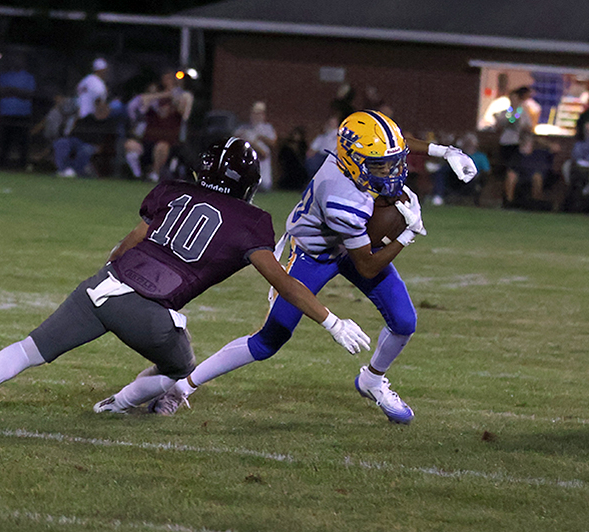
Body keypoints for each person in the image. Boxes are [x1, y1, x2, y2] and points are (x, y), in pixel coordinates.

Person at [0, 137, 370, 414]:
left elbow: (126, 246)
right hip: (150, 310)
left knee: (30, 348)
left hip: (103, 285)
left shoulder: (172, 192)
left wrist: (108, 275)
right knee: (181, 369)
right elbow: (284, 282)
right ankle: (117, 404)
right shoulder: (250, 223)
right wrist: (332, 320)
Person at [149, 110, 478, 424]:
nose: (393, 171)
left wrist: (445, 152)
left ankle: (372, 380)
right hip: (313, 254)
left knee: (405, 322)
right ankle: (182, 388)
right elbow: (366, 266)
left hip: (352, 243)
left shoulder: (354, 158)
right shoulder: (341, 198)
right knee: (269, 340)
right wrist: (406, 236)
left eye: (392, 163)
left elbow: (400, 143)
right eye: (381, 166)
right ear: (355, 161)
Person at [52, 99, 113, 178]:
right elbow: (74, 131)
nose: (100, 110)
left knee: (86, 150)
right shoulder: (87, 118)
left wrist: (100, 146)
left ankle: (75, 171)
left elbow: (107, 140)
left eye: (103, 108)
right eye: (99, 108)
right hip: (75, 140)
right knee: (61, 143)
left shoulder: (109, 123)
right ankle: (63, 170)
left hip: (91, 144)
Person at [430, 132, 491, 206]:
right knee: (442, 171)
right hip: (455, 176)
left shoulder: (481, 156)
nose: (469, 145)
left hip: (471, 179)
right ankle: (438, 196)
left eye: (470, 143)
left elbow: (486, 171)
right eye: (467, 143)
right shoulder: (459, 154)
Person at [0, 55, 36, 170]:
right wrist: (18, 91)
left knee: (23, 141)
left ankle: (22, 165)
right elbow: (1, 91)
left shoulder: (29, 77)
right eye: (14, 60)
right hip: (6, 113)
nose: (16, 62)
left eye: (19, 60)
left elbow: (29, 94)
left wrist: (12, 90)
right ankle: (2, 165)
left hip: (23, 113)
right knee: (5, 140)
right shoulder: (5, 75)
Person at [235, 101, 278, 192]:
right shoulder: (244, 128)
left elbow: (272, 143)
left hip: (262, 163)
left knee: (263, 184)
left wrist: (260, 137)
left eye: (259, 113)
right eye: (254, 113)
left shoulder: (267, 128)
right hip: (247, 161)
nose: (256, 116)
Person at [493, 87, 535, 175]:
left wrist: (523, 127)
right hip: (505, 141)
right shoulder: (505, 113)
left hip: (516, 142)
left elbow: (529, 127)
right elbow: (498, 127)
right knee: (504, 165)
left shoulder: (522, 113)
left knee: (513, 166)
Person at [504, 133, 553, 209]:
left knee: (537, 177)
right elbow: (512, 168)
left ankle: (536, 203)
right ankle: (509, 203)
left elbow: (556, 148)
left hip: (536, 174)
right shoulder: (517, 154)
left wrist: (539, 140)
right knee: (511, 176)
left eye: (528, 141)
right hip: (521, 175)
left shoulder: (540, 153)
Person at [276, 126, 309, 191]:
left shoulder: (302, 146)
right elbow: (282, 158)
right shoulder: (287, 147)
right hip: (289, 167)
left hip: (300, 167)